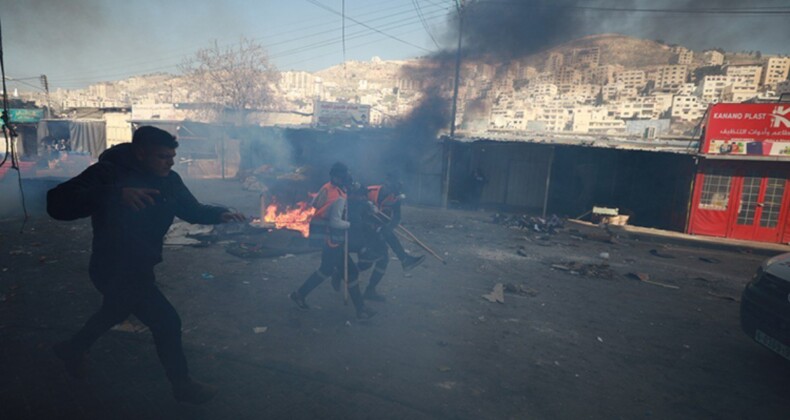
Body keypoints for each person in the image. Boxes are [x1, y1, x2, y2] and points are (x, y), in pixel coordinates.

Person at [47, 126, 246, 405]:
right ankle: (183, 386)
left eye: (172, 155)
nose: (170, 162)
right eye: (163, 156)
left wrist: (221, 214)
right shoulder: (109, 173)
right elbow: (56, 203)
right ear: (141, 153)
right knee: (166, 321)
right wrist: (115, 194)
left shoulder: (170, 180)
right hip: (111, 267)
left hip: (141, 266)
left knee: (114, 311)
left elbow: (191, 209)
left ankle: (72, 348)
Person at [289, 162, 376, 319]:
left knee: (327, 270)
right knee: (350, 272)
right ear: (340, 177)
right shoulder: (338, 197)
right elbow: (335, 222)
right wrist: (351, 224)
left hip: (326, 237)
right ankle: (361, 310)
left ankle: (299, 294)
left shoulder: (328, 187)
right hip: (333, 240)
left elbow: (315, 204)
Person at [367, 174, 425, 274]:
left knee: (383, 258)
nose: (391, 193)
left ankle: (404, 259)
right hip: (364, 227)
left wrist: (388, 229)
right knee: (368, 263)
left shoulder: (394, 198)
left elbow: (397, 218)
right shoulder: (369, 191)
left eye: (393, 191)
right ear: (385, 183)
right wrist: (366, 205)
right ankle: (404, 259)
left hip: (378, 229)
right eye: (390, 188)